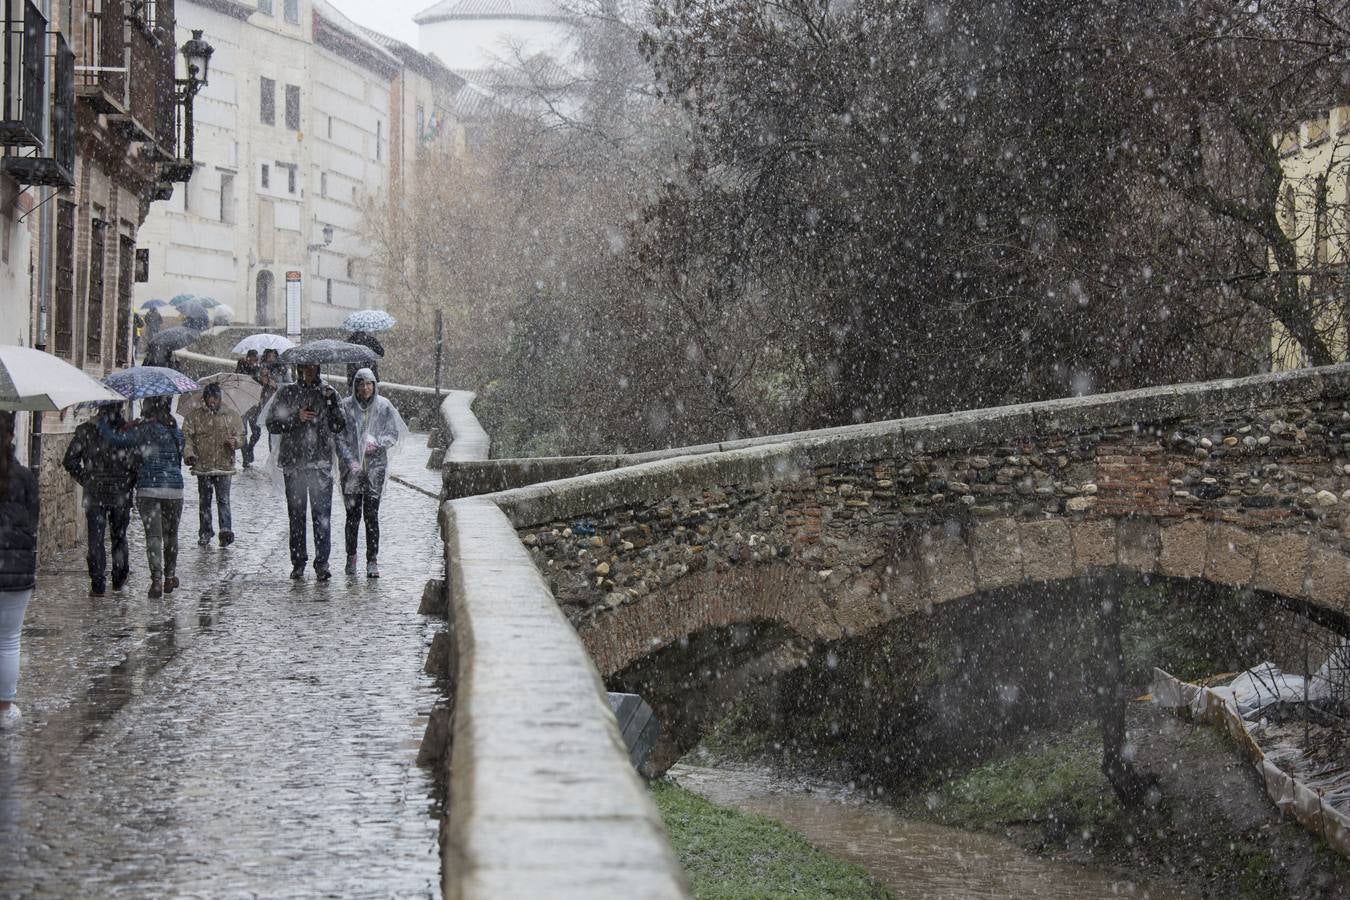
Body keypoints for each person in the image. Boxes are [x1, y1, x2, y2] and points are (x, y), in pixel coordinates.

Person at [265, 363, 345, 580]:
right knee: (297, 517)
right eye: (305, 367)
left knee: (322, 516)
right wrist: (295, 418)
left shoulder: (329, 393)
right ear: (299, 368)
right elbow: (271, 423)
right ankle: (298, 562)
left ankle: (322, 563)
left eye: (313, 367)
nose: (309, 370)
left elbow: (339, 425)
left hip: (320, 463)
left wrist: (330, 403)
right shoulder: (287, 393)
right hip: (294, 463)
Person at [99, 398, 185, 598]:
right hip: (174, 489)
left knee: (153, 536)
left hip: (148, 488)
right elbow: (180, 452)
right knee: (171, 535)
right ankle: (170, 576)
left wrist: (102, 423)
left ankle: (156, 579)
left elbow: (116, 440)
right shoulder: (176, 432)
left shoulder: (143, 430)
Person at [336, 368, 407, 578]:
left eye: (369, 384)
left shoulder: (383, 406)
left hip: (375, 468)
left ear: (374, 385)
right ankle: (351, 557)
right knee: (352, 516)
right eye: (361, 383)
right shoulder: (346, 406)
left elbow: (392, 434)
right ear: (355, 385)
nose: (365, 388)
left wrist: (377, 443)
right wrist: (350, 460)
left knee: (371, 516)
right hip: (351, 471)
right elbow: (338, 436)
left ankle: (372, 560)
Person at [62, 403, 139, 596]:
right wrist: (129, 482)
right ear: (120, 407)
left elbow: (69, 460)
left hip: (95, 493)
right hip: (121, 494)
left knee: (96, 539)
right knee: (119, 537)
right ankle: (119, 579)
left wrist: (86, 480)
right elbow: (137, 462)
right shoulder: (127, 431)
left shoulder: (86, 430)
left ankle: (97, 583)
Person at [0, 411, 38, 731]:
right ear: (11, 436)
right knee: (9, 640)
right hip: (17, 569)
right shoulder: (25, 477)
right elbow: (33, 520)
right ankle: (5, 708)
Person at [183, 383, 244, 547]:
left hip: (224, 467)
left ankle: (225, 530)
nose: (212, 401)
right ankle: (205, 531)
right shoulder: (194, 417)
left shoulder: (231, 416)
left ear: (220, 398)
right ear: (204, 399)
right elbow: (187, 439)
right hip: (203, 467)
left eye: (215, 398)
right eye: (209, 398)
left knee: (223, 499)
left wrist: (235, 442)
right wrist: (189, 454)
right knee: (205, 501)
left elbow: (242, 436)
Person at [235, 350, 264, 468]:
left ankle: (249, 449)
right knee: (243, 433)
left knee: (257, 432)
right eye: (251, 359)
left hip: (254, 406)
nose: (253, 362)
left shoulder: (259, 370)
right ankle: (245, 458)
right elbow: (238, 384)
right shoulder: (240, 369)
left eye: (255, 360)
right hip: (242, 405)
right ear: (247, 358)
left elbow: (261, 387)